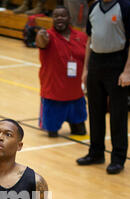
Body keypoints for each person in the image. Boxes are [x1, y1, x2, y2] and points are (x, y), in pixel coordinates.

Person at [76, 0, 130, 174]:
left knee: (117, 114)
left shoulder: (126, 7)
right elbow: (89, 39)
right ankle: (96, 153)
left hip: (117, 63)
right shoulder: (94, 7)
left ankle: (118, 158)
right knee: (95, 111)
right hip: (96, 62)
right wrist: (86, 69)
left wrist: (127, 71)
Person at [36, 6, 88, 137]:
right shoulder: (48, 36)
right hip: (53, 94)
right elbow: (41, 42)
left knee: (80, 133)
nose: (59, 18)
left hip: (76, 94)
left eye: (63, 15)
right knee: (52, 135)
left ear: (69, 18)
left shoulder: (81, 37)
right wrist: (40, 35)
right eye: (56, 16)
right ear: (52, 19)